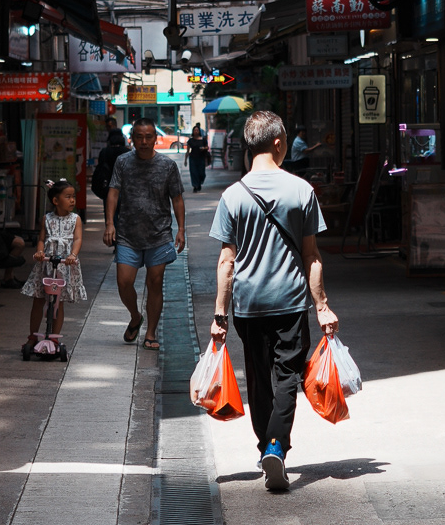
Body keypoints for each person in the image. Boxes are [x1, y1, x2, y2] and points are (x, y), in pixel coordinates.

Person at [210, 108, 339, 495]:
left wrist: (219, 314)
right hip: (290, 303)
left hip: (248, 304)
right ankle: (276, 446)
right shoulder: (301, 191)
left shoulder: (233, 196)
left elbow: (227, 262)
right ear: (279, 144)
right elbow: (312, 256)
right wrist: (322, 306)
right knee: (287, 378)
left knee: (258, 378)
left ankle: (264, 446)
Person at [103, 117, 185, 348]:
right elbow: (113, 192)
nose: (144, 141)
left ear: (155, 138)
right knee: (124, 282)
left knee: (155, 283)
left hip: (159, 234)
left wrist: (181, 229)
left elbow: (177, 199)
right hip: (128, 234)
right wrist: (109, 224)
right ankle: (135, 316)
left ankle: (150, 333)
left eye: (149, 137)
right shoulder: (123, 162)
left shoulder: (168, 165)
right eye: (139, 137)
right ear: (132, 138)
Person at [22, 177, 87, 345]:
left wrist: (73, 255)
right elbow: (41, 239)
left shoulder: (75, 219)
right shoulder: (47, 219)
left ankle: (55, 338)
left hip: (65, 264)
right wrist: (39, 252)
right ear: (56, 201)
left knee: (59, 301)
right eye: (68, 197)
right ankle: (33, 336)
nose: (72, 200)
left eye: (73, 196)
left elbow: (78, 239)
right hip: (46, 263)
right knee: (38, 299)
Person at [90, 115, 127, 208]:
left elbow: (100, 167)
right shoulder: (127, 152)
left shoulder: (104, 152)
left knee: (109, 209)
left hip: (108, 185)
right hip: (124, 187)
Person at [186, 122, 210, 192]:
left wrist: (204, 148)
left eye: (197, 130)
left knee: (201, 173)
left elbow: (207, 147)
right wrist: (185, 160)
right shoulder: (190, 140)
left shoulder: (203, 139)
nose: (196, 131)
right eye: (195, 130)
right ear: (193, 131)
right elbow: (187, 151)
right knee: (194, 172)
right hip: (193, 158)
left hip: (201, 158)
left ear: (199, 131)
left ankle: (199, 183)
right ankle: (195, 186)